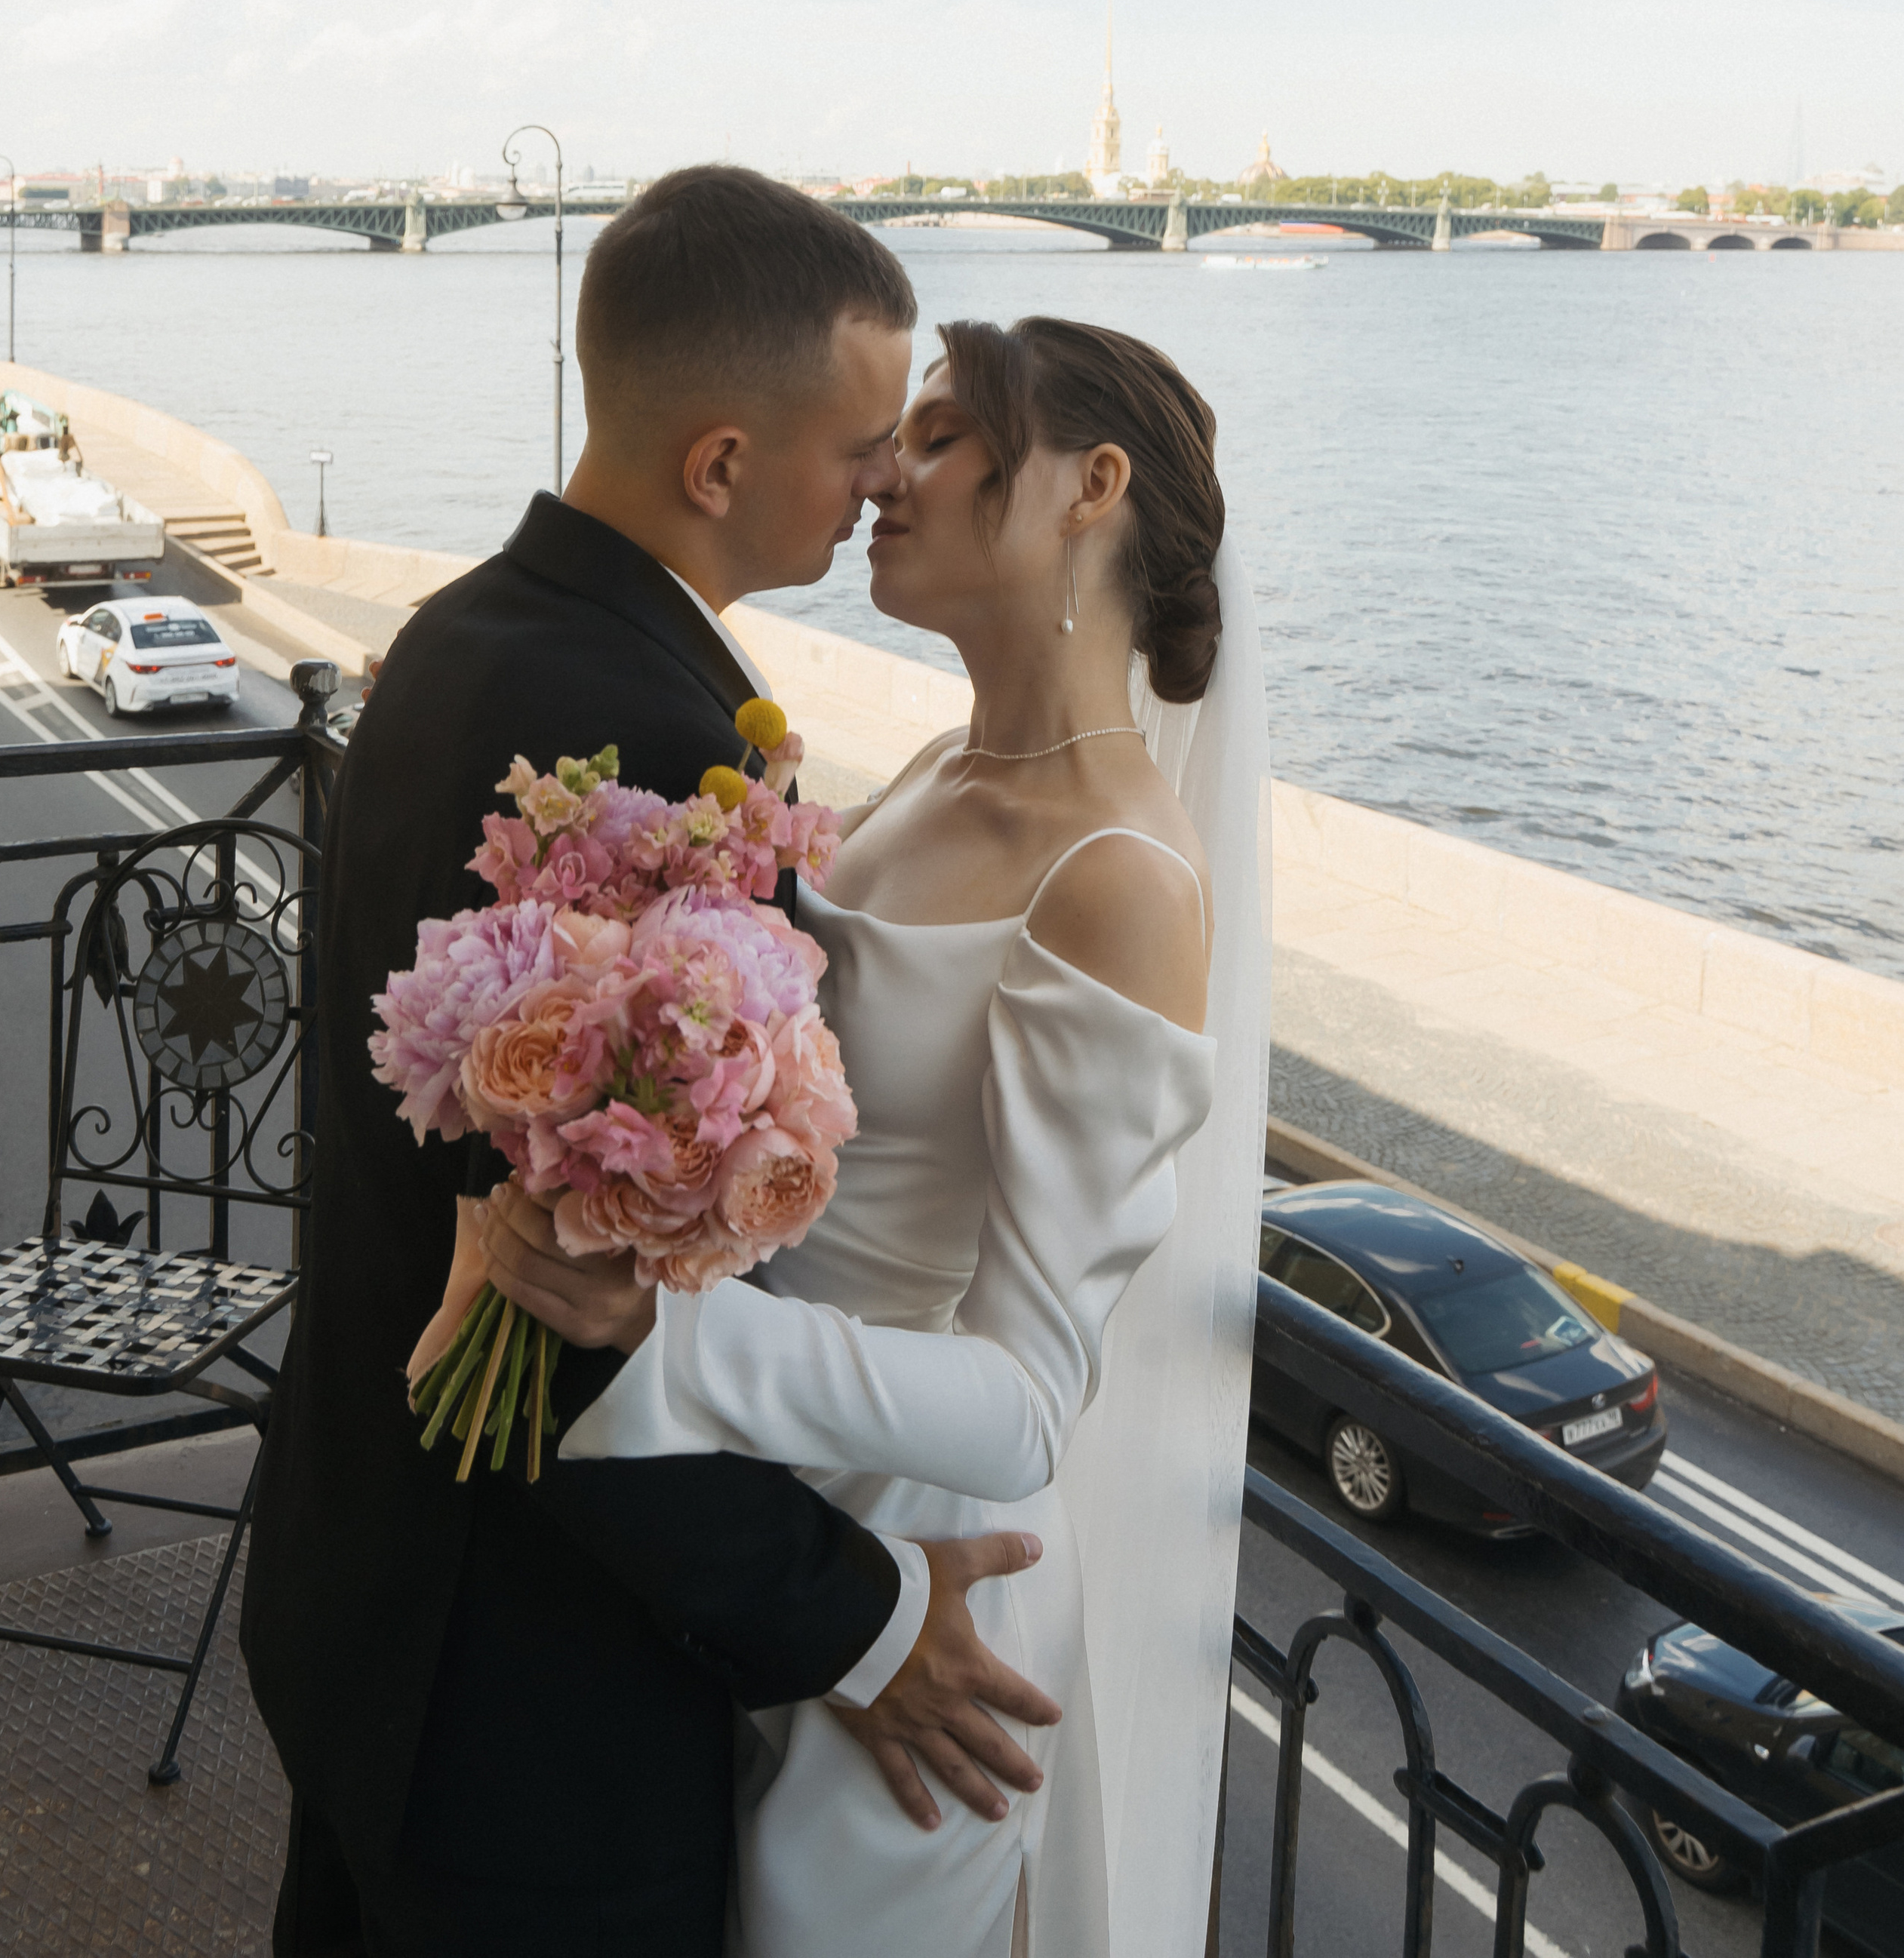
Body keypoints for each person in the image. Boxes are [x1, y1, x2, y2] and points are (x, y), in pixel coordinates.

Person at [243, 172, 1059, 1958]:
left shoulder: (466, 633)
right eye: (860, 445)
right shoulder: (650, 743)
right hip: (520, 1689)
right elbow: (567, 1291)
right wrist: (855, 1622)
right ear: (720, 464)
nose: (882, 483)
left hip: (363, 1570)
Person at [513, 313, 1271, 1958]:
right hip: (747, 1523)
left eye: (937, 438)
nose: (882, 479)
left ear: (1090, 485)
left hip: (918, 1582)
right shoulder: (932, 770)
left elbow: (1028, 1402)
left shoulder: (1120, 881)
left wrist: (667, 1337)